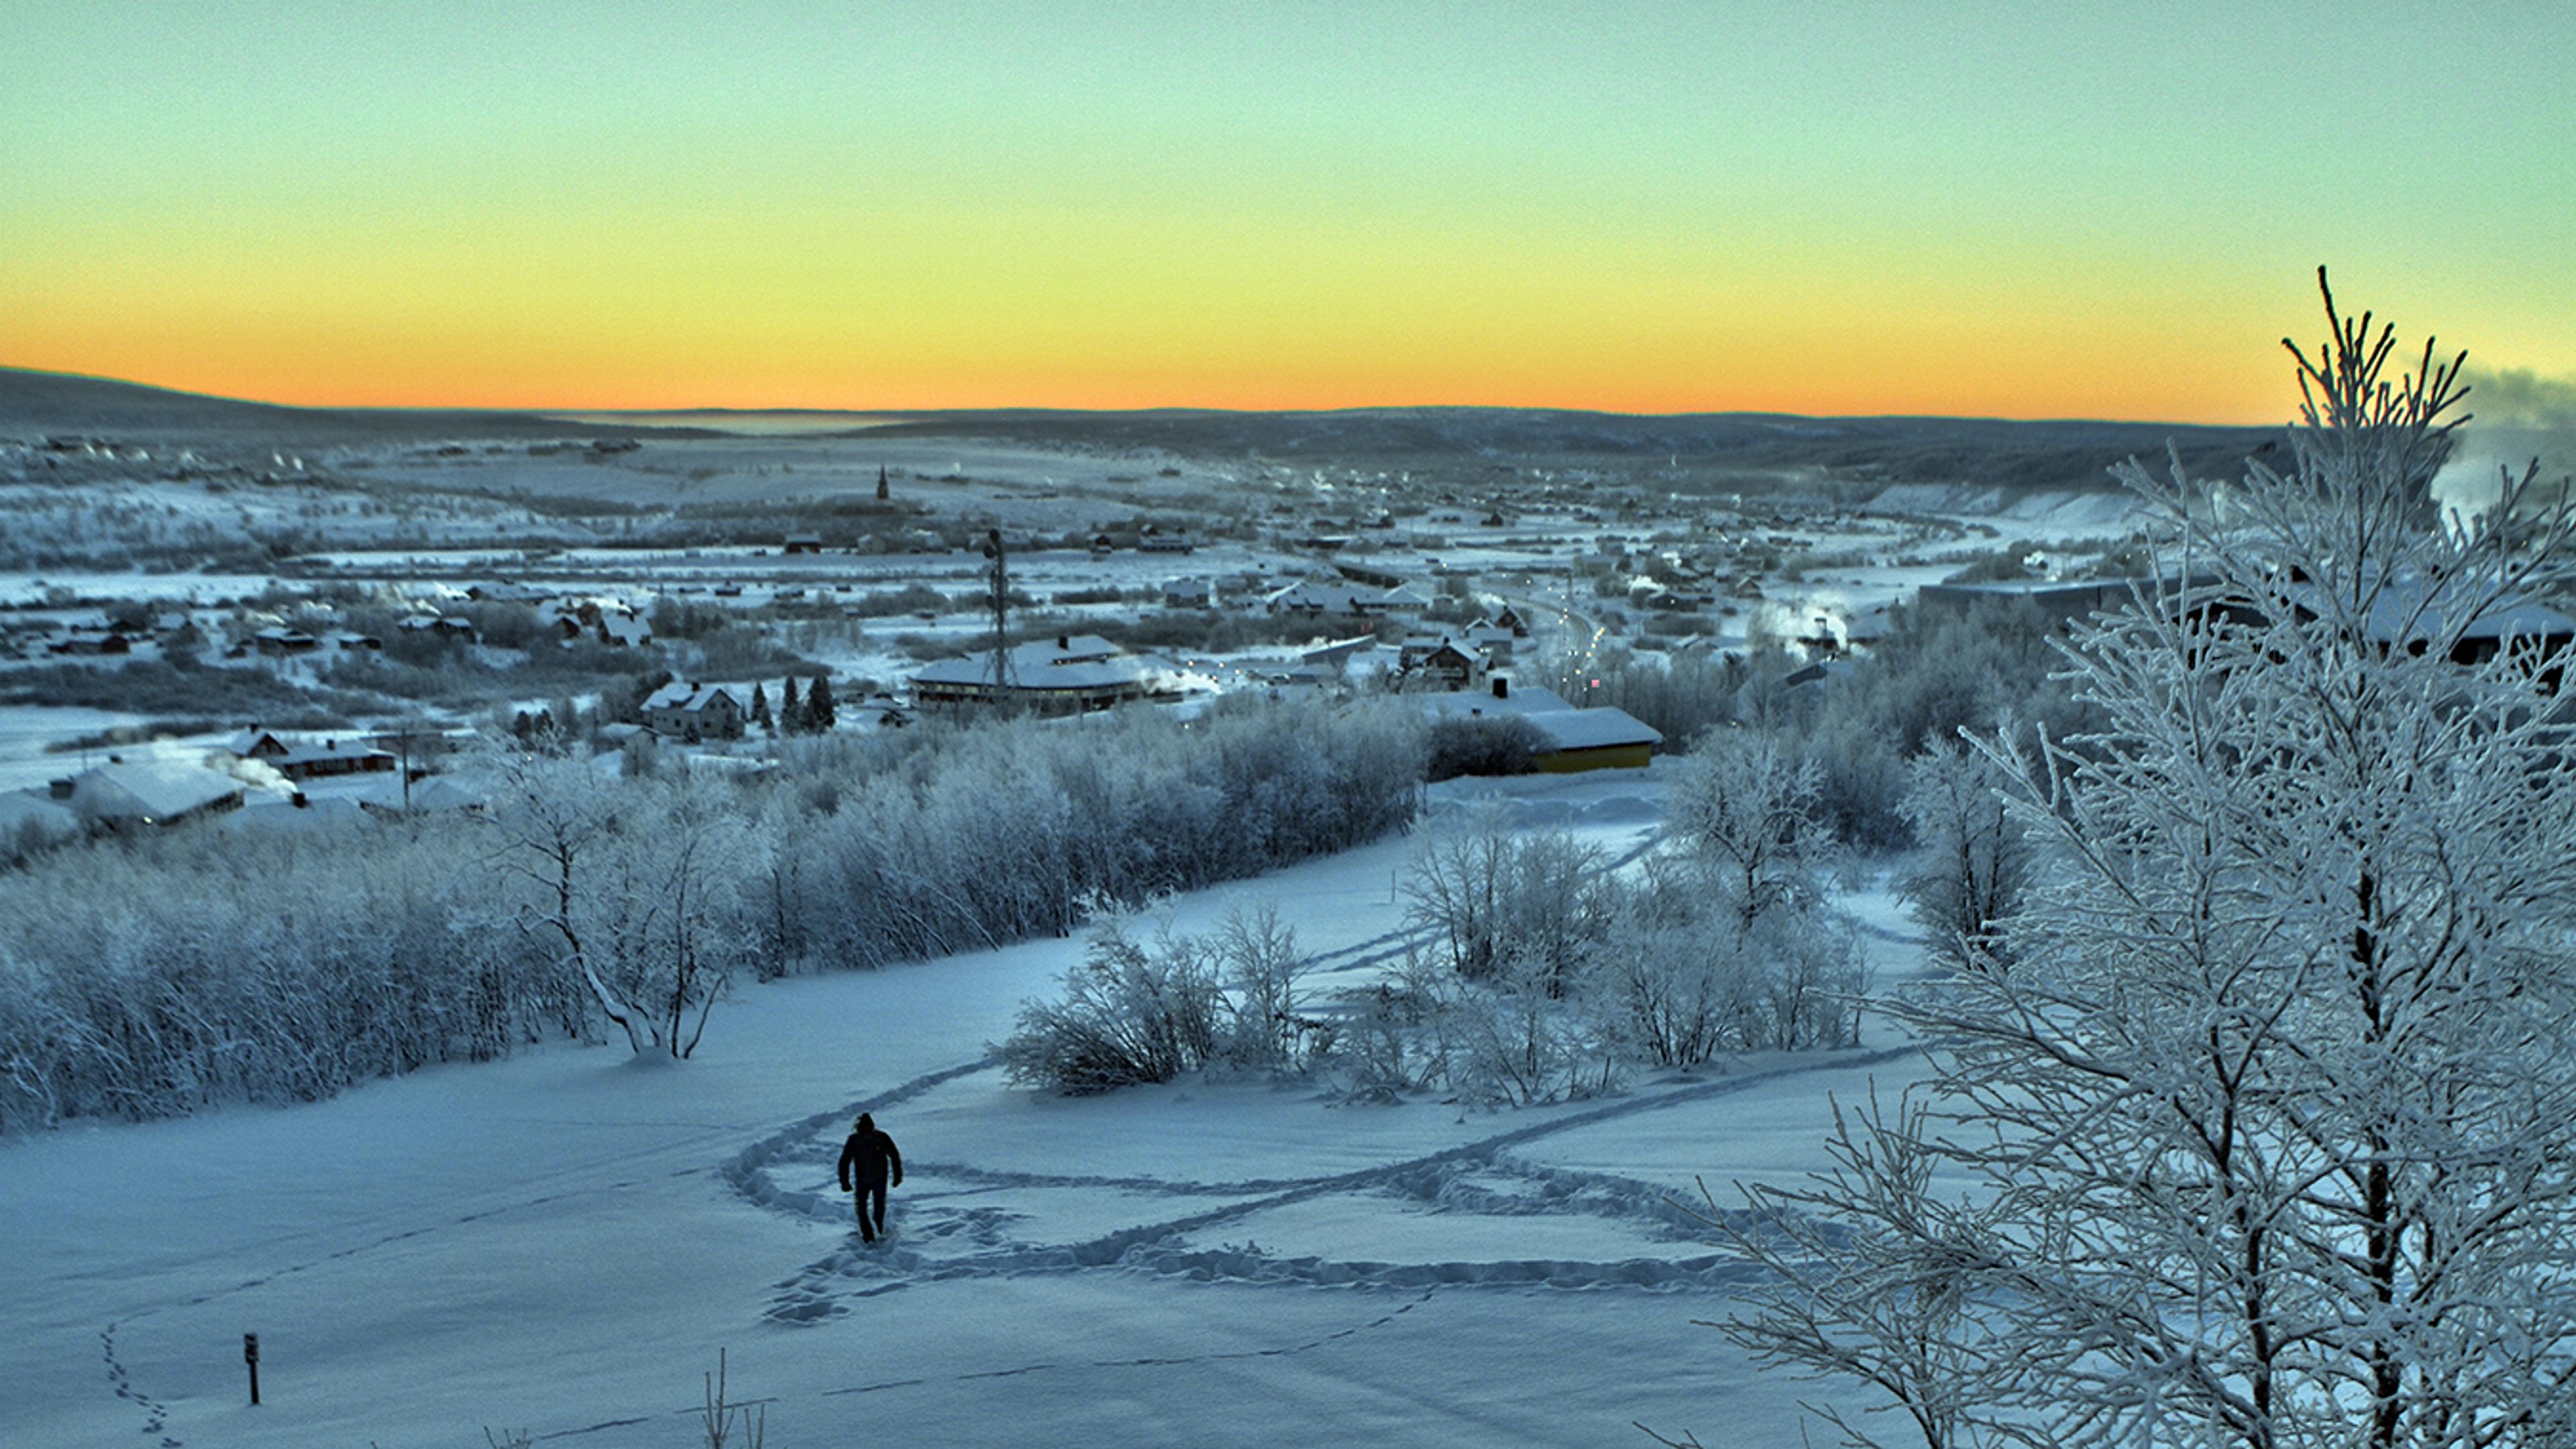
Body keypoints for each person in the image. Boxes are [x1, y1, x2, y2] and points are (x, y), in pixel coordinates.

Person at [837, 1112, 903, 1243]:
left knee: (879, 1206)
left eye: (869, 1127)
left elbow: (894, 1156)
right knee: (862, 1208)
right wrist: (844, 1181)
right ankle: (868, 1234)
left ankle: (878, 1228)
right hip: (862, 1179)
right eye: (864, 1127)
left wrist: (897, 1176)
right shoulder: (854, 1140)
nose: (867, 1130)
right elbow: (845, 1161)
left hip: (879, 1178)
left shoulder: (882, 1138)